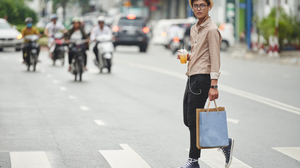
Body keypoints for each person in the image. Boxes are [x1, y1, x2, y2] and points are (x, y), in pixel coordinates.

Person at [178, 0, 234, 168]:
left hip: (203, 78)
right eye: (196, 5)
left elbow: (215, 58)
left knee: (193, 121)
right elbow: (199, 53)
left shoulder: (212, 30)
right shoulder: (194, 29)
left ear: (209, 7)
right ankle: (224, 142)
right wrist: (188, 57)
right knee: (188, 121)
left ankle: (193, 160)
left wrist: (214, 84)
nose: (199, 8)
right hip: (192, 77)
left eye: (202, 5)